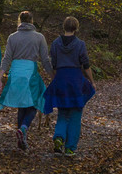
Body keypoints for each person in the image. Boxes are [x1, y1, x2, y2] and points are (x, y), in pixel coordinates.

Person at [0, 10, 51, 151]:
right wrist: (53, 75)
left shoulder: (12, 37)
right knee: (35, 102)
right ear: (32, 21)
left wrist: (0, 78)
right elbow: (45, 59)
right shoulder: (39, 37)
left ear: (19, 21)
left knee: (22, 104)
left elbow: (7, 58)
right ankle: (24, 127)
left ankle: (21, 138)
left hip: (15, 72)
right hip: (29, 72)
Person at [42, 16, 96, 156]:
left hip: (60, 78)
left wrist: (56, 78)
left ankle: (59, 137)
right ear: (76, 28)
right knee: (75, 114)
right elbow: (86, 64)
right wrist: (91, 80)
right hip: (75, 80)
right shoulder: (80, 44)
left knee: (62, 112)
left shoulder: (55, 43)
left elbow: (53, 64)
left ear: (64, 27)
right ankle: (70, 147)